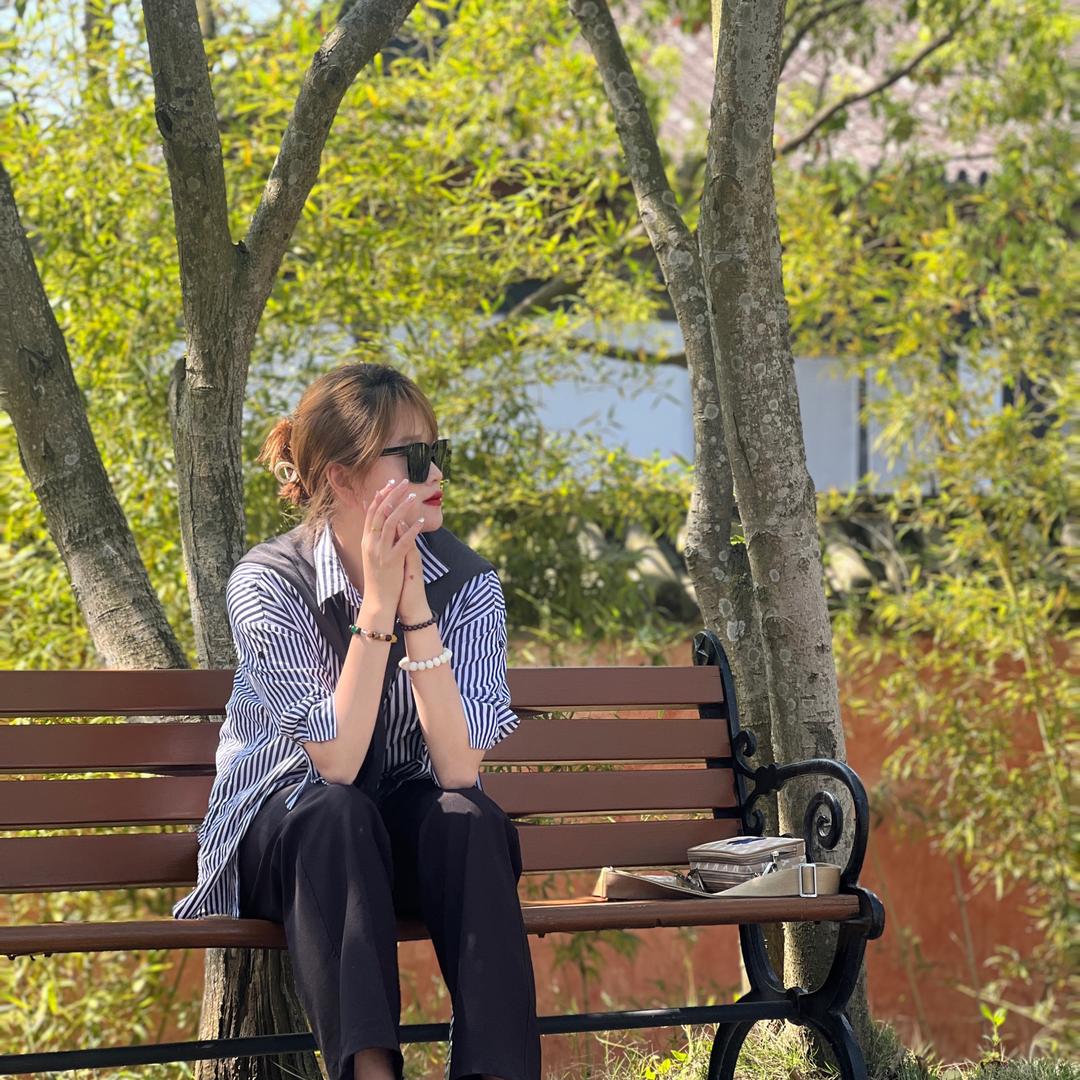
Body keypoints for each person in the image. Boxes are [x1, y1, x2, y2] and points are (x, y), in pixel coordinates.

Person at [171, 362, 541, 1080]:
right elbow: (334, 762)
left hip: (393, 831)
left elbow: (460, 767)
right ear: (342, 480)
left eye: (440, 451)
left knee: (468, 817)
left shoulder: (468, 582)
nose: (436, 472)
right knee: (336, 813)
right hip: (290, 838)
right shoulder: (267, 584)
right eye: (414, 456)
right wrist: (375, 610)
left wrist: (415, 609)